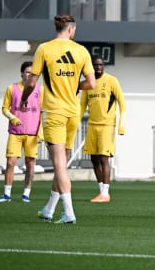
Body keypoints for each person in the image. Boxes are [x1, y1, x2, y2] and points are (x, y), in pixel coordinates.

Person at [30, 14, 95, 224]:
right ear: (71, 30)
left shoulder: (44, 49)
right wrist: (75, 86)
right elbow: (91, 84)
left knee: (59, 164)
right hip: (73, 113)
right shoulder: (81, 51)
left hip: (54, 112)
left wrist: (23, 99)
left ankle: (69, 212)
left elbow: (32, 82)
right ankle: (49, 209)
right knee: (62, 164)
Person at [80, 56, 126, 203]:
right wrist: (74, 123)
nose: (98, 67)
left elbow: (122, 105)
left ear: (103, 66)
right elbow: (82, 106)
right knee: (93, 159)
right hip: (92, 125)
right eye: (95, 65)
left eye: (100, 65)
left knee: (103, 158)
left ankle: (106, 193)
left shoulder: (112, 81)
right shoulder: (89, 84)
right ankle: (101, 192)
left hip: (107, 125)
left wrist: (121, 125)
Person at [0, 62, 41, 203]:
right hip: (15, 133)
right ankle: (6, 194)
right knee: (11, 162)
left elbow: (43, 112)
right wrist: (13, 118)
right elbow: (4, 108)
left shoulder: (40, 90)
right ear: (22, 73)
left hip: (33, 134)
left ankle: (26, 194)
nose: (30, 75)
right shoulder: (12, 88)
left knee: (30, 164)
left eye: (32, 73)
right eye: (28, 72)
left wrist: (41, 133)